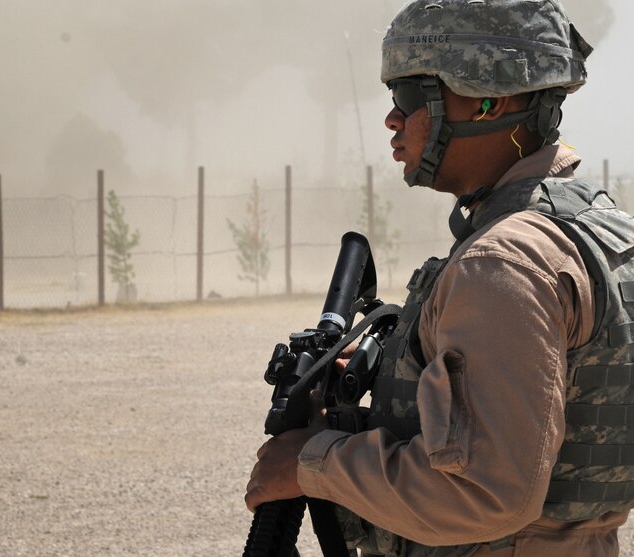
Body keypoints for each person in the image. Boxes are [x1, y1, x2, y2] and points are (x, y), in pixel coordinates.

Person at [245, 1, 634, 555]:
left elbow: (484, 491)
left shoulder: (504, 262)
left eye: (408, 96)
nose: (392, 120)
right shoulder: (600, 228)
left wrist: (312, 464)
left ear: (487, 103)